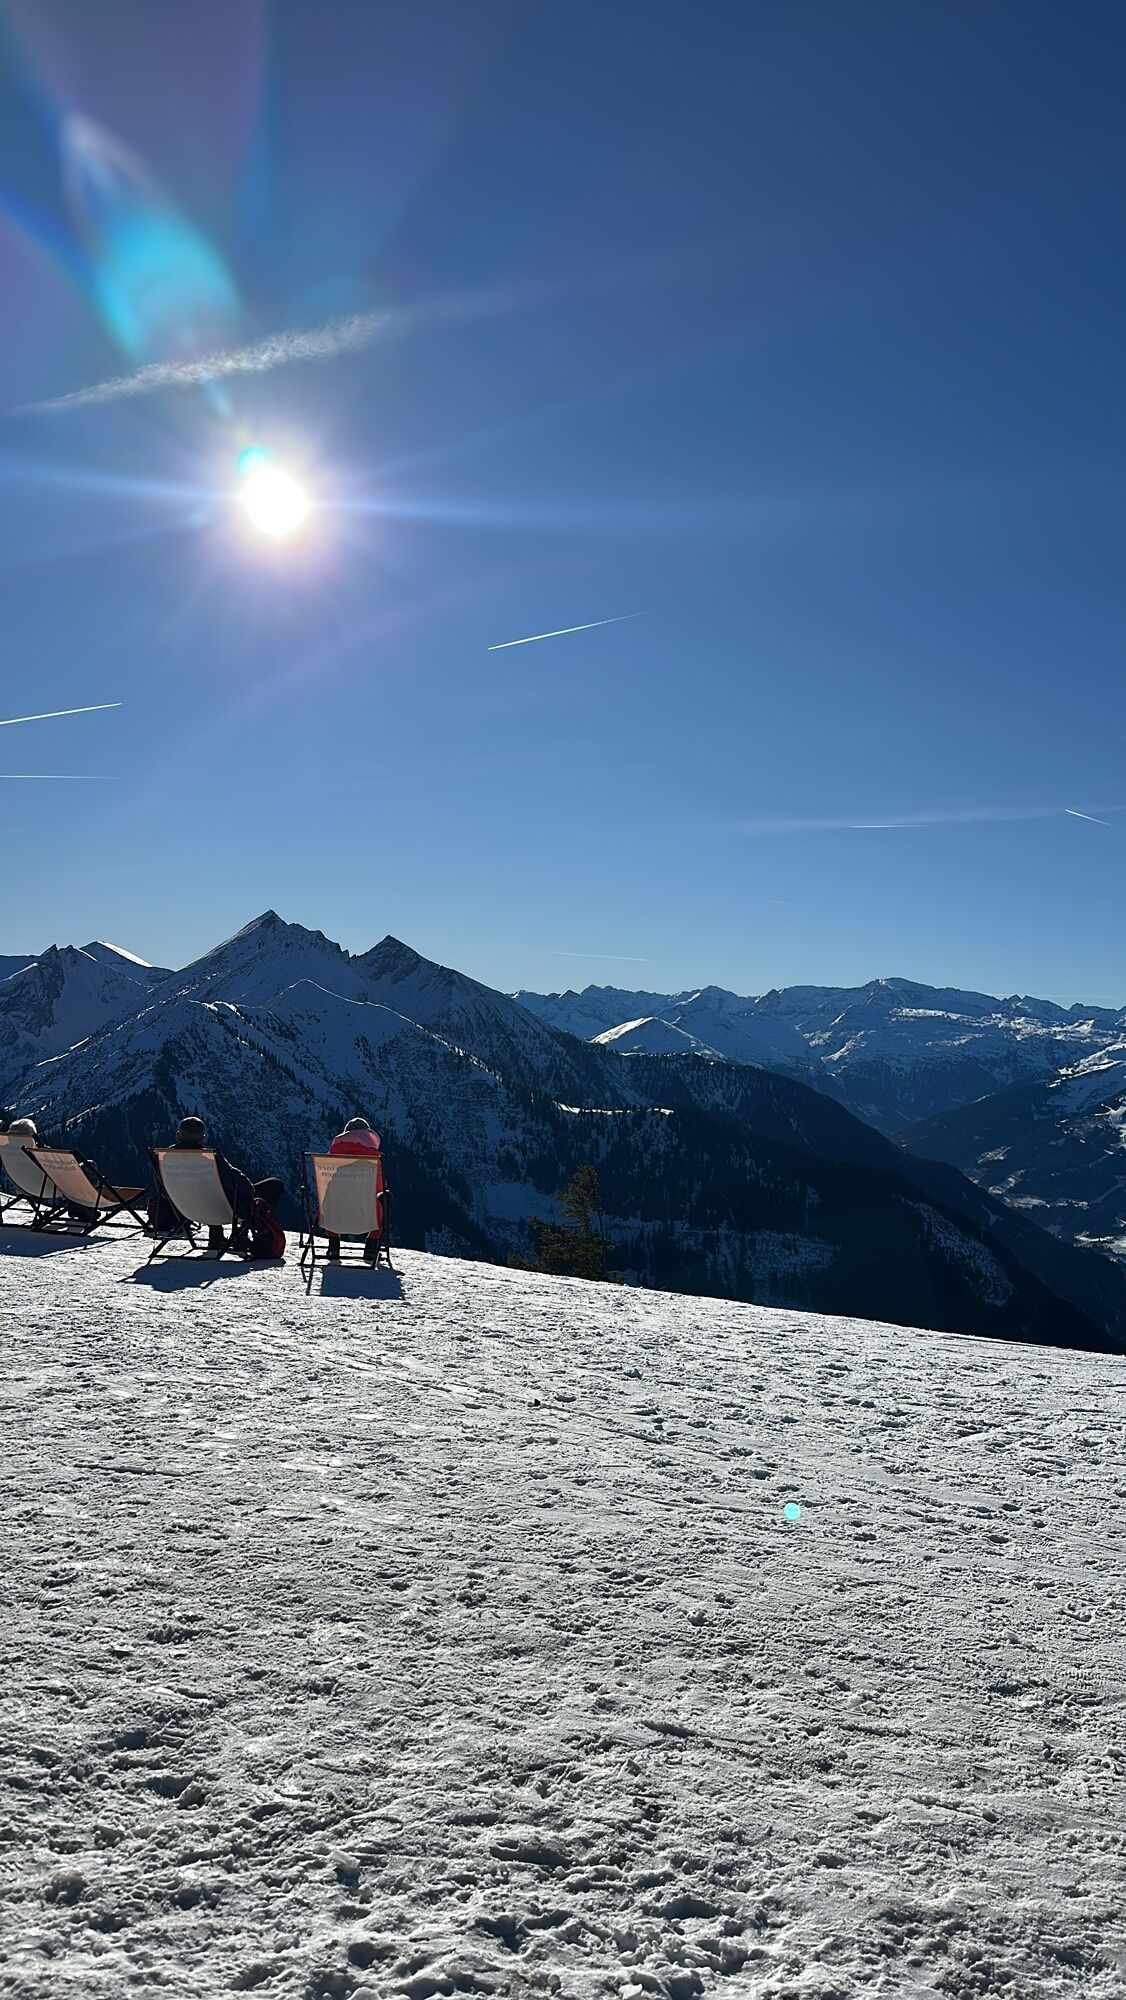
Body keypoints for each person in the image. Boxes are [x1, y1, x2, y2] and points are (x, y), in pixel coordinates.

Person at [155, 1115, 286, 1259]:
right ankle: (240, 1235)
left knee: (206, 1193)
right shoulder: (211, 1159)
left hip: (184, 1209)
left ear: (178, 1136)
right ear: (202, 1139)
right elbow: (247, 1189)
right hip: (221, 1210)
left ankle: (216, 1235)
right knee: (274, 1185)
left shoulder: (164, 1158)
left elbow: (163, 1192)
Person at [325, 1115, 383, 1263]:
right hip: (366, 1212)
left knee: (329, 1198)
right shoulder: (374, 1158)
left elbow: (325, 1182)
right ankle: (371, 1247)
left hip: (335, 1211)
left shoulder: (332, 1155)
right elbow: (380, 1187)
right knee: (384, 1199)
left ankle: (333, 1246)